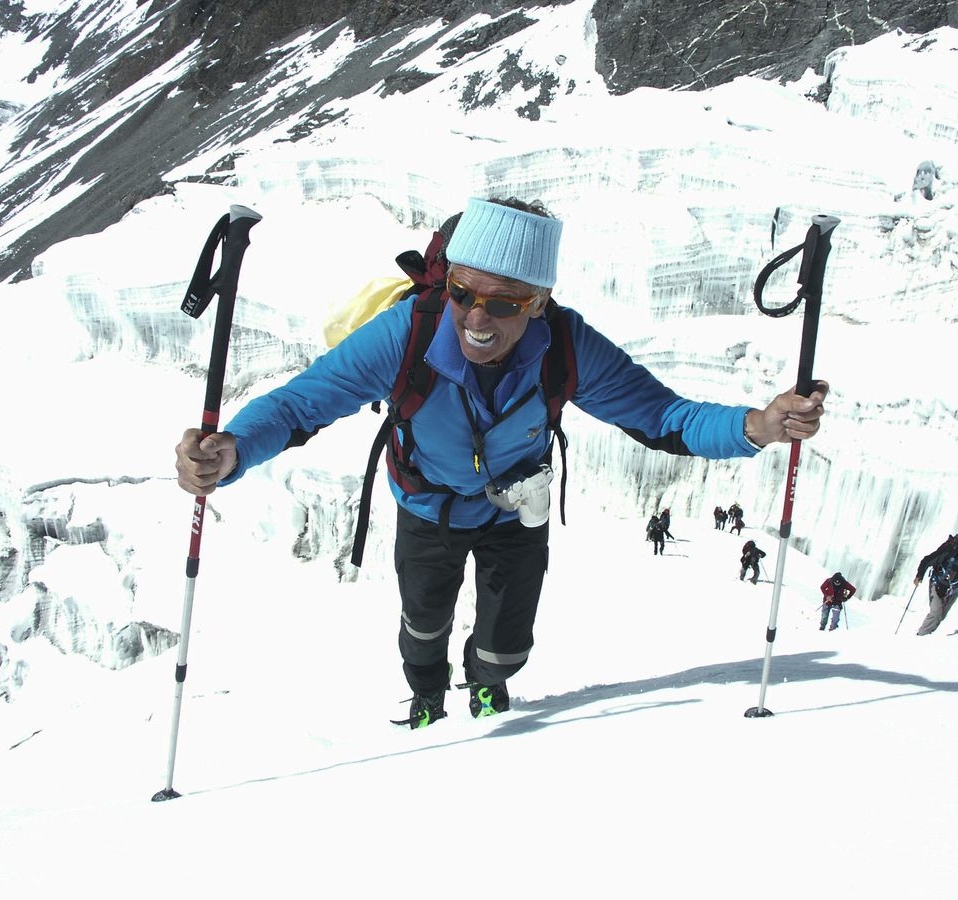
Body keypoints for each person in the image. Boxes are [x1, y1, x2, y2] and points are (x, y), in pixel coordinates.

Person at [174, 196, 830, 729]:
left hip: (517, 511)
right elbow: (296, 408)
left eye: (507, 302)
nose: (477, 318)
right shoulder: (408, 333)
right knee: (422, 626)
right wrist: (230, 450)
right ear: (449, 283)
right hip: (427, 507)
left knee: (506, 643)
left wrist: (759, 425)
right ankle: (428, 696)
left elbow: (664, 419)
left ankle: (487, 690)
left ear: (540, 301)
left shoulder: (566, 348)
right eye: (463, 294)